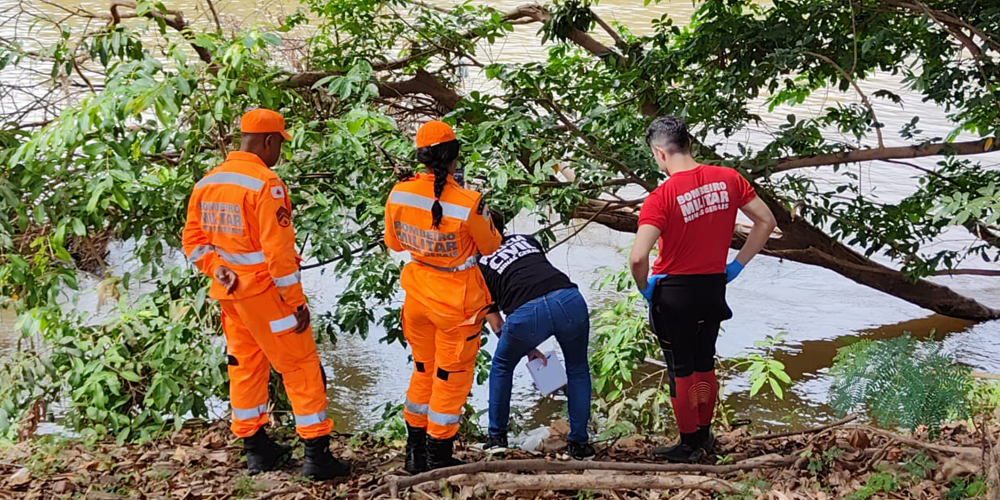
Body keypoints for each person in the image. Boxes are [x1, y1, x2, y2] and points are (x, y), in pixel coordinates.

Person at [182, 108, 350, 480]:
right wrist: (297, 304)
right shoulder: (265, 184)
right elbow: (279, 256)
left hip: (230, 294)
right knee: (300, 366)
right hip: (265, 293)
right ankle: (316, 455)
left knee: (245, 365)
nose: (279, 154)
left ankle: (256, 447)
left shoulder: (208, 182)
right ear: (269, 141)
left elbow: (192, 240)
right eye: (280, 146)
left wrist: (214, 266)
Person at [629, 115, 777, 463]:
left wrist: (644, 287)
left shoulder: (661, 197)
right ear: (688, 145)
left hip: (674, 293)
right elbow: (766, 221)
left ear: (659, 153)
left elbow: (638, 257)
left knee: (680, 367)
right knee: (704, 361)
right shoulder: (729, 179)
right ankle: (705, 437)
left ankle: (687, 444)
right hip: (713, 288)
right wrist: (737, 265)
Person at [383, 120, 502, 472]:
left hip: (417, 295)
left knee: (422, 370)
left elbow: (393, 243)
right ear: (454, 158)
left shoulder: (399, 193)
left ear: (421, 157)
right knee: (450, 379)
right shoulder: (468, 201)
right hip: (456, 304)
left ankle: (414, 454)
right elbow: (491, 245)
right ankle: (438, 458)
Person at [478, 212, 595, 460]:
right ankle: (579, 444)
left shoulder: (477, 266)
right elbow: (536, 275)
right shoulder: (526, 239)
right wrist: (530, 346)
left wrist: (525, 345)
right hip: (568, 299)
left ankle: (497, 438)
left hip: (526, 314)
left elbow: (497, 324)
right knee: (577, 368)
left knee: (501, 366)